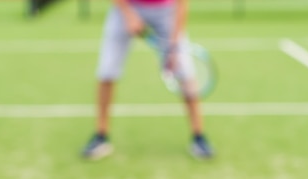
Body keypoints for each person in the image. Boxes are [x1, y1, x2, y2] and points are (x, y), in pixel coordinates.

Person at [81, 0, 214, 160]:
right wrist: (129, 14)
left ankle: (199, 136)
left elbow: (182, 3)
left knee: (185, 73)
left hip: (166, 10)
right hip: (126, 5)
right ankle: (101, 135)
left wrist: (173, 46)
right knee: (107, 71)